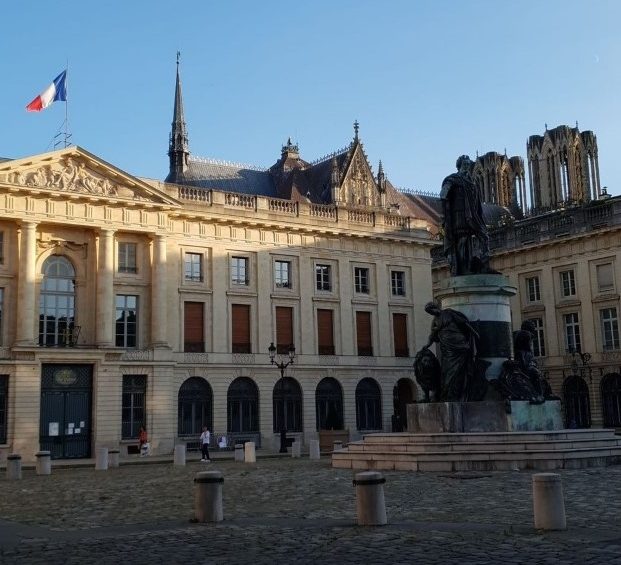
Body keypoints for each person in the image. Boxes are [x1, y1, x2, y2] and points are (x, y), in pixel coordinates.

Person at [440, 155, 494, 276]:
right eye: (464, 165)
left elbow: (477, 202)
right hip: (459, 215)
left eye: (468, 165)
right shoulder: (453, 179)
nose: (467, 167)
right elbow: (443, 194)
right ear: (459, 166)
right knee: (463, 239)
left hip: (473, 215)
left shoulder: (471, 182)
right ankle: (463, 268)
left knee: (484, 236)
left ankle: (484, 265)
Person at [424, 301, 488, 401]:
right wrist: (427, 345)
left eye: (431, 310)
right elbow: (432, 335)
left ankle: (459, 392)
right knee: (447, 372)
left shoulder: (448, 313)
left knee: (459, 370)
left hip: (459, 344)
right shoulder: (435, 321)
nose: (431, 313)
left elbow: (463, 322)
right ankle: (450, 394)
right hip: (447, 349)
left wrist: (474, 332)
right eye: (429, 312)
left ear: (435, 307)